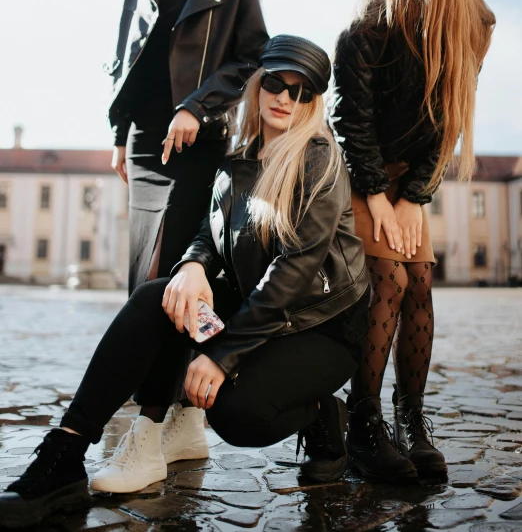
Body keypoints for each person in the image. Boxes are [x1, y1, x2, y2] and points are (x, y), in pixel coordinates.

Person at [0, 35, 369, 529]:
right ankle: (63, 452)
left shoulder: (319, 157)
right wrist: (192, 266)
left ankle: (322, 411)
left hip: (321, 324)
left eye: (302, 92)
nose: (285, 98)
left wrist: (221, 354)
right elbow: (208, 235)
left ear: (313, 102)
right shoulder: (239, 160)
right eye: (277, 84)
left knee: (236, 413)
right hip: (263, 315)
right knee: (159, 296)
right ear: (260, 85)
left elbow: (297, 269)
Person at [104, 0, 268, 478]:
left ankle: (149, 428)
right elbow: (125, 61)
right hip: (146, 146)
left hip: (199, 146)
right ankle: (184, 422)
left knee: (172, 276)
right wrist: (119, 133)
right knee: (140, 276)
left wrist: (197, 107)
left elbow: (253, 55)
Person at [331, 0, 495, 481]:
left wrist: (414, 196)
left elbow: (449, 122)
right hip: (356, 165)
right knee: (389, 281)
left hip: (409, 179)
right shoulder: (371, 16)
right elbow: (349, 114)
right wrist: (378, 194)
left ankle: (410, 420)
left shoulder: (473, 23)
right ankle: (363, 425)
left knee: (422, 285)